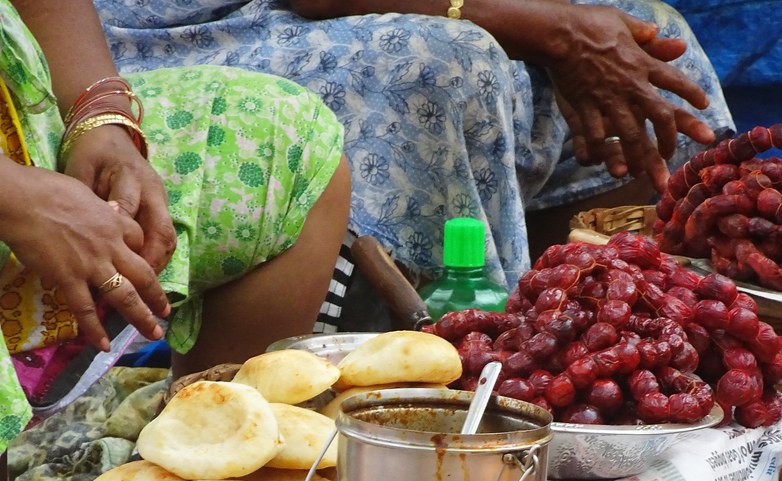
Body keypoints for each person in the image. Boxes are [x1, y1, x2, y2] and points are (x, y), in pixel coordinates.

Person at [93, 0, 734, 330]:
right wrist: (552, 31)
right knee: (442, 63)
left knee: (649, 39)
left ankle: (595, 337)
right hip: (170, 41)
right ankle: (429, 368)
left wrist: (565, 23)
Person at [0, 0, 351, 458]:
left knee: (285, 138)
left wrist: (101, 120)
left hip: (23, 128)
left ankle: (204, 465)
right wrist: (17, 200)